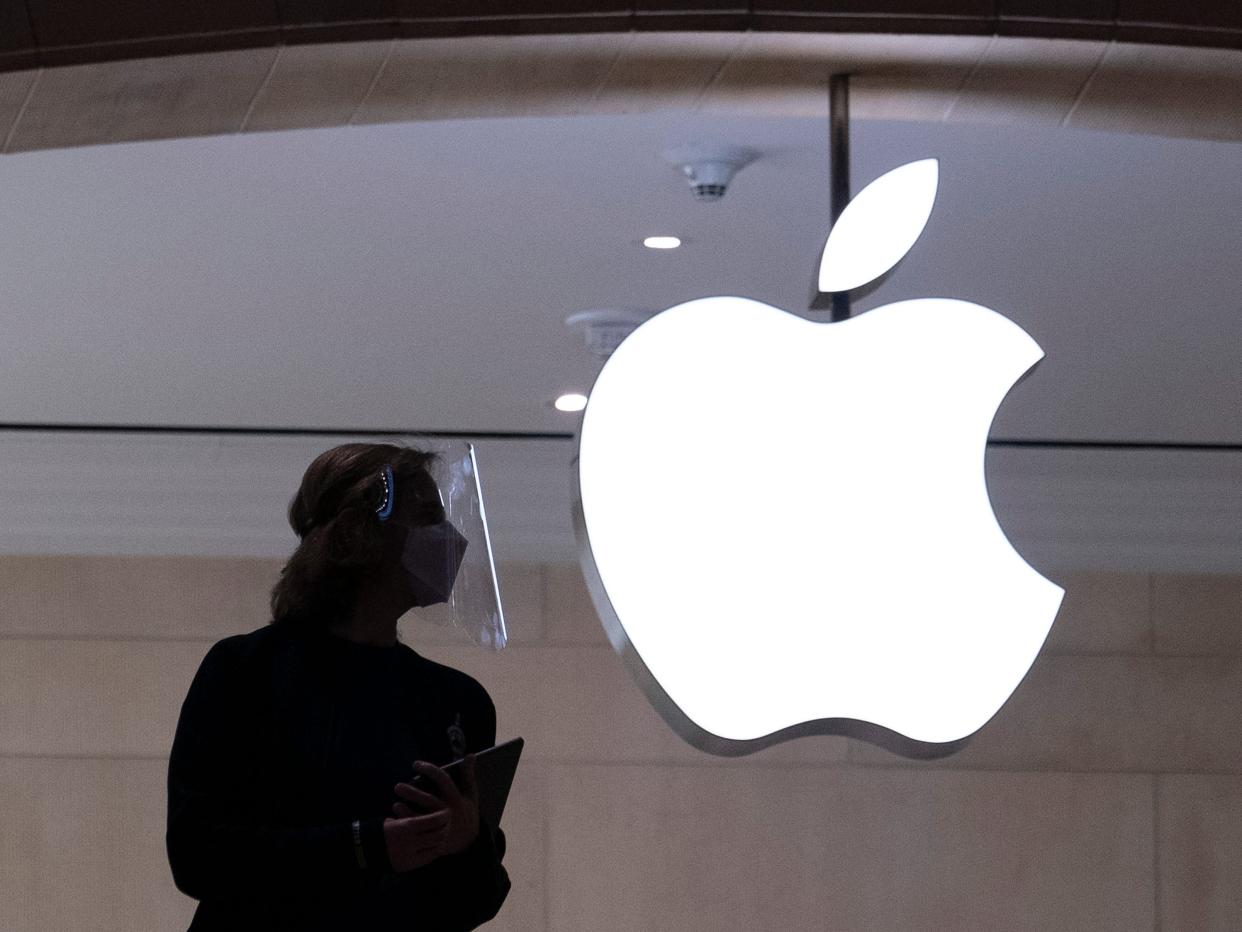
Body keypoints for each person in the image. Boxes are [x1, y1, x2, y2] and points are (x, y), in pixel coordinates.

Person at [166, 442, 511, 931]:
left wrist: (464, 843)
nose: (453, 539)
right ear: (357, 534)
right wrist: (370, 846)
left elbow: (474, 903)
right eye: (429, 518)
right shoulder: (245, 671)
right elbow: (198, 855)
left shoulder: (457, 701)